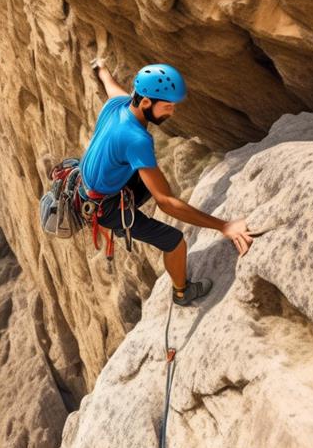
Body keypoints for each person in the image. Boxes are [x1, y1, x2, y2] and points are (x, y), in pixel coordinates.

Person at [81, 58, 254, 306]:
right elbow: (166, 203)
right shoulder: (136, 139)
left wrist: (101, 69)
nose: (172, 112)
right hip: (105, 208)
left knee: (149, 174)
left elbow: (110, 84)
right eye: (168, 106)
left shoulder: (117, 105)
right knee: (174, 241)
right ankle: (182, 292)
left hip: (89, 186)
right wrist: (224, 226)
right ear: (146, 102)